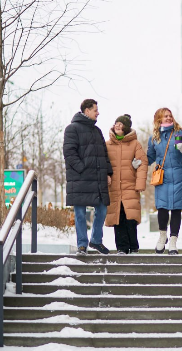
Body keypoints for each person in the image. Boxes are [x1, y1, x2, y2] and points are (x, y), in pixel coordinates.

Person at [63, 99, 113, 256]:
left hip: (98, 178)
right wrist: (81, 168)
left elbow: (104, 154)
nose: (98, 112)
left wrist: (108, 173)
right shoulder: (72, 129)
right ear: (86, 111)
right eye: (95, 110)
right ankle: (82, 244)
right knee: (80, 212)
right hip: (80, 178)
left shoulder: (97, 131)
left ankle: (96, 240)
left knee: (102, 209)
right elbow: (69, 153)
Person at [147, 108, 182, 255]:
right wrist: (138, 161)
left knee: (175, 209)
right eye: (165, 116)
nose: (168, 118)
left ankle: (173, 241)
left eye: (170, 116)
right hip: (163, 177)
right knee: (162, 208)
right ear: (159, 119)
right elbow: (150, 157)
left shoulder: (180, 133)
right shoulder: (154, 137)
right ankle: (162, 236)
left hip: (180, 177)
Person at [105, 114, 148, 255]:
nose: (117, 125)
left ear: (126, 127)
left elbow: (143, 163)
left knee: (131, 217)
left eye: (121, 124)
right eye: (116, 123)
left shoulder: (135, 144)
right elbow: (103, 163)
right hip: (114, 187)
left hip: (130, 185)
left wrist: (140, 183)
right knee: (118, 217)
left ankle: (134, 246)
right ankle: (121, 248)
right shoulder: (107, 145)